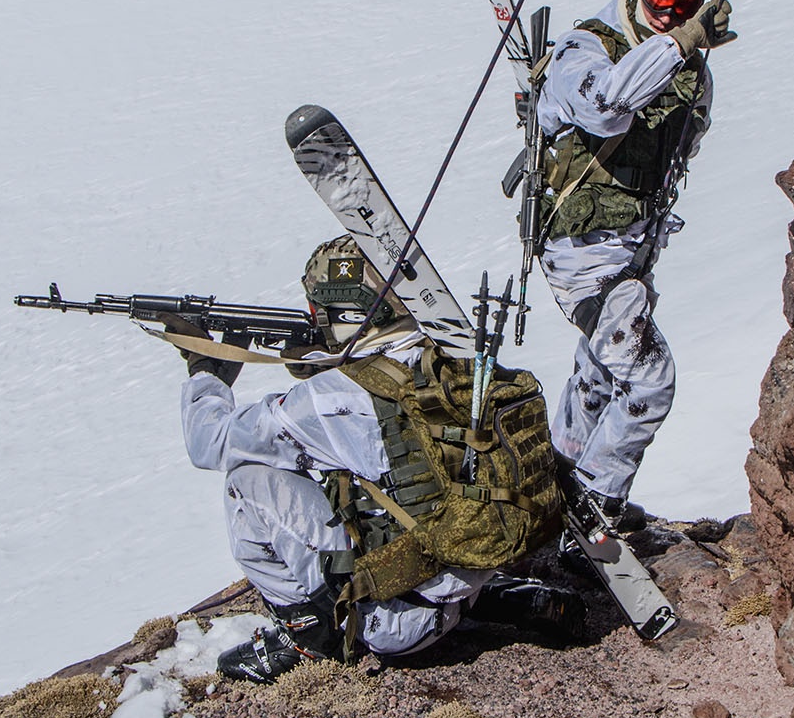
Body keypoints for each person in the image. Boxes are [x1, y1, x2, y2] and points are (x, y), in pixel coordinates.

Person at [176, 238, 581, 683]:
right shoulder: (453, 365)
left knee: (247, 479)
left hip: (395, 623)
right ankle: (491, 598)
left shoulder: (326, 401)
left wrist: (205, 373)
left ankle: (311, 639)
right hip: (465, 578)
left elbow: (209, 442)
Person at [535, 0, 734, 530]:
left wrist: (683, 58)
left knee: (599, 376)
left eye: (684, 6)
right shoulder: (583, 50)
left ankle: (560, 483)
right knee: (649, 378)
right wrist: (681, 44)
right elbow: (603, 104)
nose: (667, 13)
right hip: (583, 251)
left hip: (631, 251)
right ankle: (596, 504)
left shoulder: (684, 69)